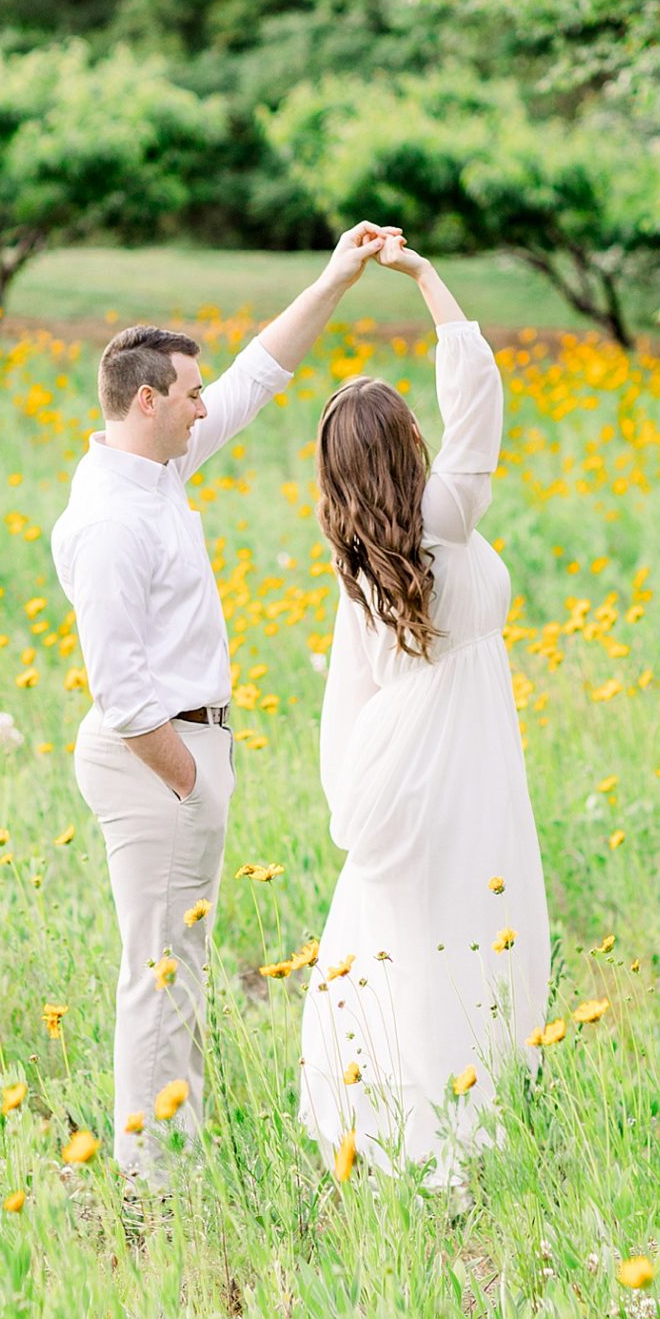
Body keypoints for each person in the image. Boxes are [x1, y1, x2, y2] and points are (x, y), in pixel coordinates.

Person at [51, 223, 395, 1191]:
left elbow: (256, 375)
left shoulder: (153, 471)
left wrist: (335, 276)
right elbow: (120, 693)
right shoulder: (114, 520)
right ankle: (153, 1179)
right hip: (157, 759)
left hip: (180, 754)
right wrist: (192, 779)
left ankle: (175, 1153)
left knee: (179, 970)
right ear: (149, 400)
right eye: (191, 394)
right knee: (159, 975)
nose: (209, 407)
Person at [299, 233, 550, 1193]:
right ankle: (455, 1113)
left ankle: (426, 1107)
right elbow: (476, 398)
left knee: (420, 928)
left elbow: (351, 692)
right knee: (474, 918)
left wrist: (354, 795)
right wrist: (425, 278)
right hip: (464, 752)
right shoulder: (446, 514)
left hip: (408, 751)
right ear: (407, 445)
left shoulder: (358, 557)